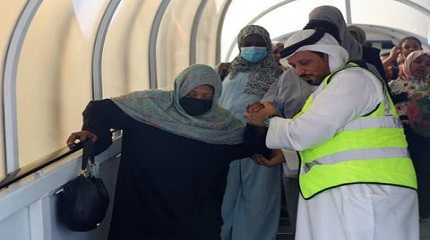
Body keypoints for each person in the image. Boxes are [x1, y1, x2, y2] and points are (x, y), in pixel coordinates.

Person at [246, 29, 419, 240]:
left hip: (366, 193)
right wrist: (286, 155)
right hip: (348, 191)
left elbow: (307, 132)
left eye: (305, 62)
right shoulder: (330, 86)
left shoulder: (352, 79)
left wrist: (267, 120)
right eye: (293, 66)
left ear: (329, 55)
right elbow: (333, 140)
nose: (299, 72)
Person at [66, 64, 270, 240]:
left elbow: (249, 144)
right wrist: (93, 133)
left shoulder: (223, 125)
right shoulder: (150, 106)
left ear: (215, 96)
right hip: (143, 208)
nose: (198, 99)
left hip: (195, 216)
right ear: (180, 89)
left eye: (205, 96)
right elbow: (99, 110)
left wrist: (257, 124)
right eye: (192, 94)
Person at [219, 25, 283, 240]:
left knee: (259, 199)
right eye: (247, 44)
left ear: (267, 45)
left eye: (258, 43)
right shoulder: (228, 72)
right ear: (240, 46)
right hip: (227, 143)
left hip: (260, 141)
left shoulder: (279, 74)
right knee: (225, 197)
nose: (253, 48)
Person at [389, 50, 430, 220]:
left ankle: (424, 211)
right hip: (400, 136)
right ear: (407, 63)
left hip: (425, 137)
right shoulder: (393, 86)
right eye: (417, 62)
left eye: (427, 64)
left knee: (424, 172)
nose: (422, 66)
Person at [303, 5, 386, 80]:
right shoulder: (310, 55)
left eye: (326, 25)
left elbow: (381, 86)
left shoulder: (369, 55)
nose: (321, 31)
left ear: (339, 25)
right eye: (314, 26)